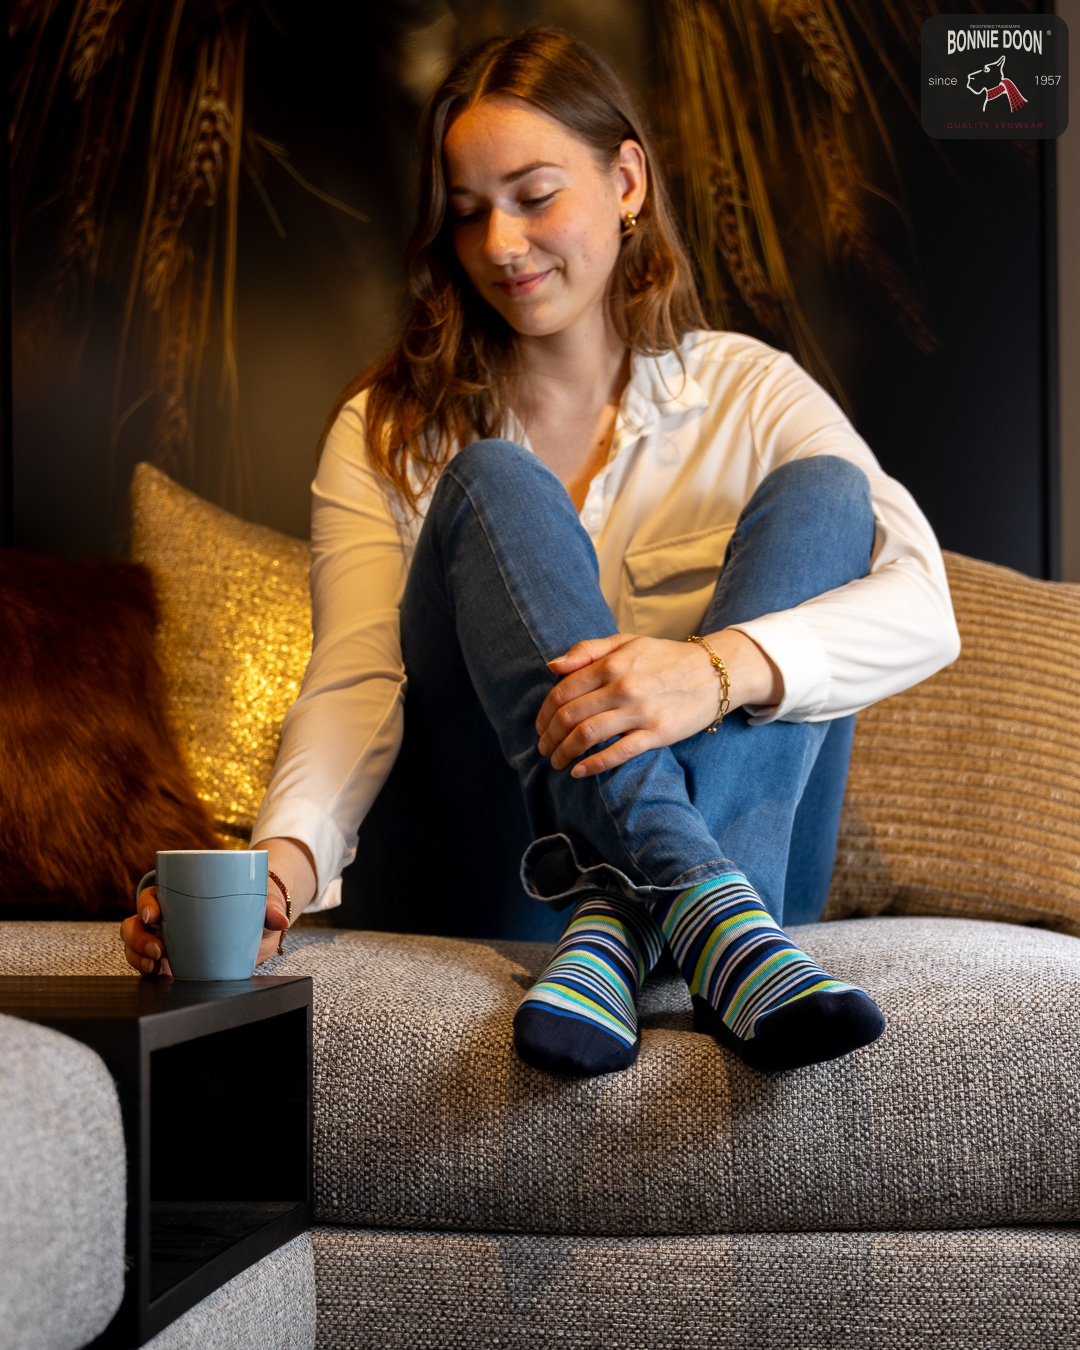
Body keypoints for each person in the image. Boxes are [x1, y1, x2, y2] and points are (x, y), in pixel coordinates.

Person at [122, 28, 960, 1079]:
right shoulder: (393, 427)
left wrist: (709, 670)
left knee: (828, 498)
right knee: (492, 481)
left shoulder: (750, 391)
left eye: (533, 194)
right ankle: (697, 907)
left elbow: (926, 605)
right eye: (468, 213)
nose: (502, 246)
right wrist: (284, 859)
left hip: (750, 855)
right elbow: (358, 677)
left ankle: (622, 925)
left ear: (625, 180)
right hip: (488, 869)